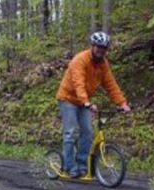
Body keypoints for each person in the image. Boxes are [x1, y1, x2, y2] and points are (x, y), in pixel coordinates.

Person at [56, 31, 131, 178]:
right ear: (93, 46)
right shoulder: (80, 60)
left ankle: (82, 166)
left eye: (104, 48)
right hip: (68, 98)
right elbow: (79, 83)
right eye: (98, 47)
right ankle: (68, 167)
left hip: (84, 102)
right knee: (70, 132)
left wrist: (122, 103)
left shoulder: (103, 64)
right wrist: (86, 102)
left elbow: (111, 85)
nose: (101, 50)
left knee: (88, 133)